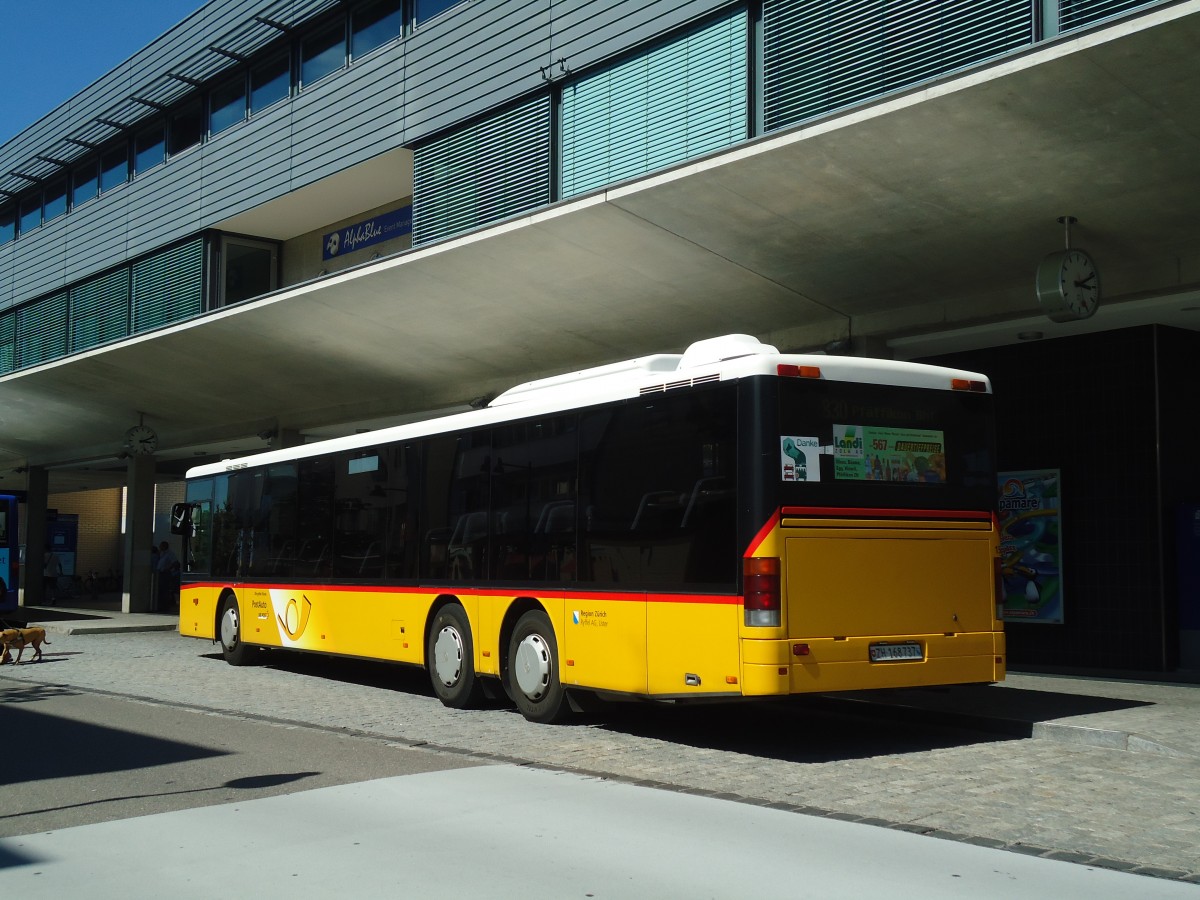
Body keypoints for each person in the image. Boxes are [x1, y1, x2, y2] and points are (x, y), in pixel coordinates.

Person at [156, 541, 180, 612]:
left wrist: (168, 569)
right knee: (160, 590)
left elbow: (175, 563)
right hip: (160, 573)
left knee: (165, 590)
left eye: (161, 546)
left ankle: (165, 606)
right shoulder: (162, 554)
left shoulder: (170, 554)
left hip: (165, 574)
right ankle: (161, 606)